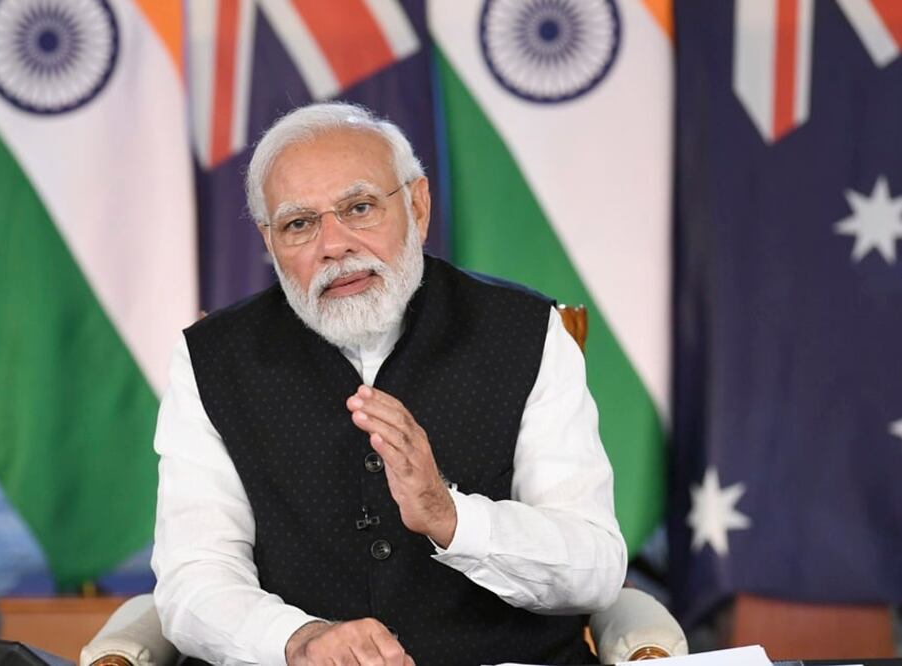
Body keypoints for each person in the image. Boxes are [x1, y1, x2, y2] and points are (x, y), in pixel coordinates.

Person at [151, 102, 626, 666]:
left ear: (418, 207)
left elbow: (595, 568)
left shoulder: (525, 331)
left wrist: (449, 516)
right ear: (268, 239)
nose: (334, 245)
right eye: (300, 223)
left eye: (359, 208)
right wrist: (296, 640)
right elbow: (194, 577)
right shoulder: (213, 359)